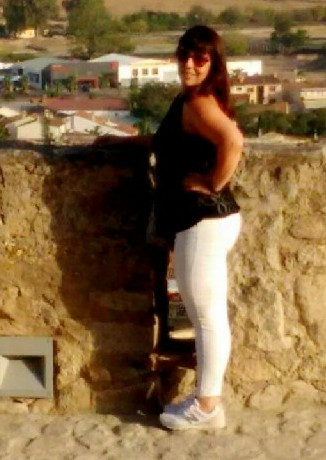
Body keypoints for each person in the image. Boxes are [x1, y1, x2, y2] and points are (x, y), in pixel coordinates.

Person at [94, 25, 243, 431]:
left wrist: (213, 183)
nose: (189, 64)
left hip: (203, 220)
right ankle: (207, 402)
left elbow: (233, 142)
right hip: (207, 221)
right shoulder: (191, 101)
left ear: (213, 63)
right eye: (184, 56)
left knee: (207, 317)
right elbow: (169, 143)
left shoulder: (199, 103)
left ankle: (207, 407)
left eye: (200, 58)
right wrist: (123, 143)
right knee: (205, 313)